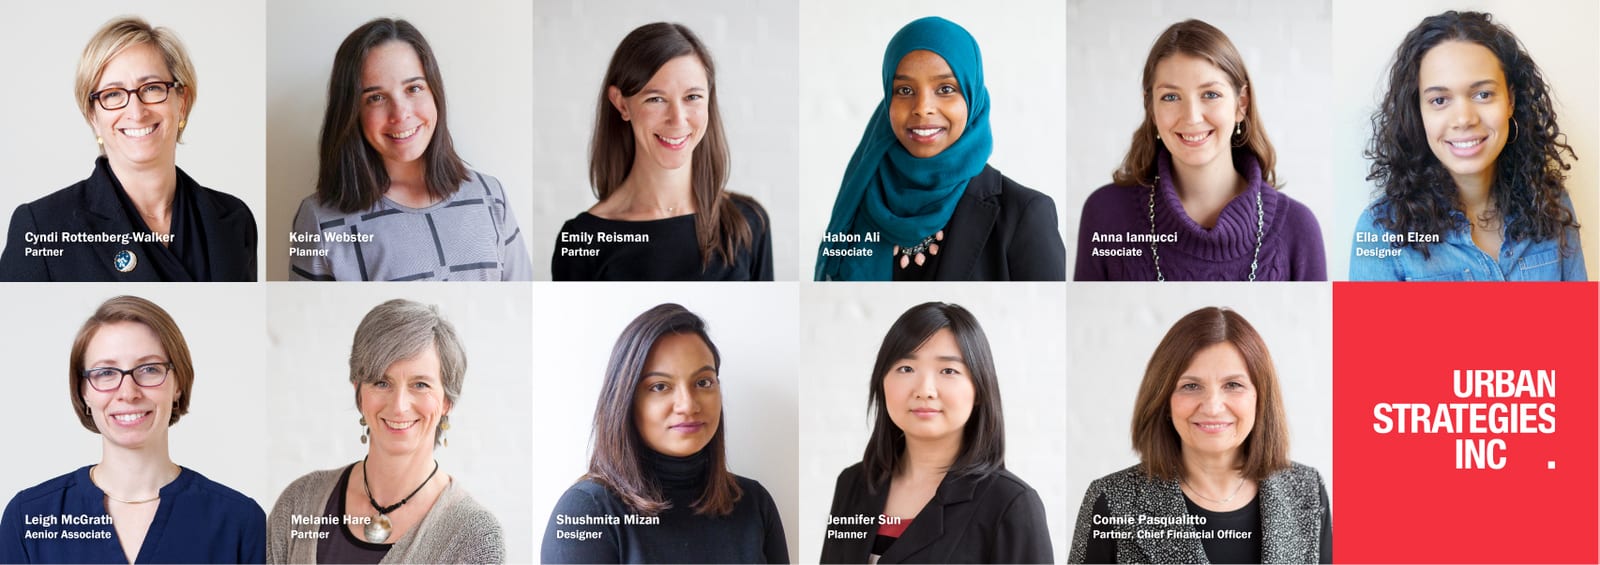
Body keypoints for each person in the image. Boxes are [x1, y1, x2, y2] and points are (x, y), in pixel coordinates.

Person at [0, 296, 265, 563]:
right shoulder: (28, 518)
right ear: (83, 393)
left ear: (178, 384)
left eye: (149, 369)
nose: (128, 393)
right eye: (105, 373)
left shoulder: (240, 522)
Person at [0, 17, 257, 281]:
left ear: (182, 102)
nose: (136, 111)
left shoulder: (235, 218)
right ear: (93, 117)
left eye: (152, 88)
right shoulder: (41, 227)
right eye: (112, 94)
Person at [1069, 307, 1330, 564]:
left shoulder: (1307, 490)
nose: (1213, 407)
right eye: (1191, 386)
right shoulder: (1111, 499)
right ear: (1164, 401)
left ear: (1260, 398)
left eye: (1233, 385)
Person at [815, 17, 1065, 281]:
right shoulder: (861, 197)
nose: (923, 107)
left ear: (972, 97)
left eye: (946, 89)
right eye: (905, 89)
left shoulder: (1025, 214)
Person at [1075, 20, 1326, 281]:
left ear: (1241, 103)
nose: (1192, 117)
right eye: (1171, 97)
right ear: (1151, 108)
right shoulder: (1105, 214)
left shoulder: (1297, 229)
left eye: (1210, 94)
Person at [1349, 11, 1586, 281]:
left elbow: (1578, 324)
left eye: (1483, 94)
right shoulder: (1380, 232)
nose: (1464, 119)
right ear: (1419, 112)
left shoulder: (1552, 204)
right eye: (1439, 100)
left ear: (1510, 100)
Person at [541, 304, 788, 563]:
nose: (688, 405)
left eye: (703, 382)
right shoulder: (586, 512)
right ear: (625, 401)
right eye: (660, 386)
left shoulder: (754, 503)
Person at [289, 19, 531, 282]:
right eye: (376, 97)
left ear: (435, 93)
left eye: (414, 88)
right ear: (351, 112)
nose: (400, 114)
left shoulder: (491, 196)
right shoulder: (317, 219)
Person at [267, 299, 505, 563]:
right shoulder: (299, 502)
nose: (399, 406)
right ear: (358, 391)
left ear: (447, 400)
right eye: (382, 382)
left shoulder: (474, 535)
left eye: (420, 385)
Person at [821, 302, 1051, 563]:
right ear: (881, 382)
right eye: (906, 368)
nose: (925, 390)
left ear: (979, 389)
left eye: (948, 371)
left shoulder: (1011, 504)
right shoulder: (853, 484)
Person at [551, 23, 773, 281]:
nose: (678, 119)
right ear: (621, 104)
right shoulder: (582, 240)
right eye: (656, 99)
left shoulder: (748, 222)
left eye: (692, 97)